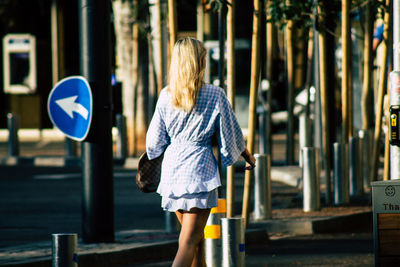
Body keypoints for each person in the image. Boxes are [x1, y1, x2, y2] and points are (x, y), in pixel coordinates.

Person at [146, 37, 256, 267]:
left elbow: (154, 142)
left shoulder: (166, 95)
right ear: (198, 62)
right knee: (188, 241)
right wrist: (244, 154)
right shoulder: (215, 94)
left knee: (197, 240)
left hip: (173, 173)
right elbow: (230, 132)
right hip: (198, 170)